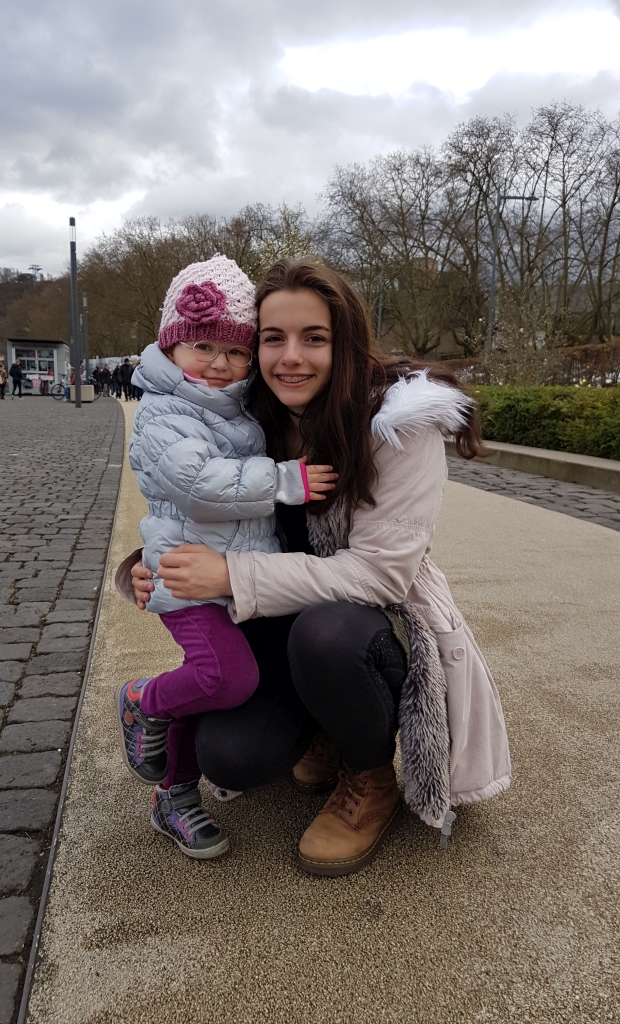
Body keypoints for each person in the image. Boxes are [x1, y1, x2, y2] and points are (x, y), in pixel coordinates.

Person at [124, 258, 511, 876]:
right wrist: (149, 566)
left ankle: (368, 775)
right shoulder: (254, 412)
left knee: (326, 633)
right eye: (272, 338)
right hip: (278, 617)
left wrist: (231, 577)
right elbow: (196, 497)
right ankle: (323, 726)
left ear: (345, 340)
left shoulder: (395, 424)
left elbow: (382, 574)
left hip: (372, 622)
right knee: (232, 757)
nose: (291, 357)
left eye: (314, 337)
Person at [115, 256, 337, 860]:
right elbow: (196, 487)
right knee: (225, 678)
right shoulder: (165, 412)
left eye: (235, 351)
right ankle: (143, 701)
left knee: (210, 687)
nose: (219, 363)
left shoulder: (238, 407)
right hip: (191, 582)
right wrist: (286, 480)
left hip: (234, 579)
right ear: (171, 345)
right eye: (203, 346)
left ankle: (174, 792)